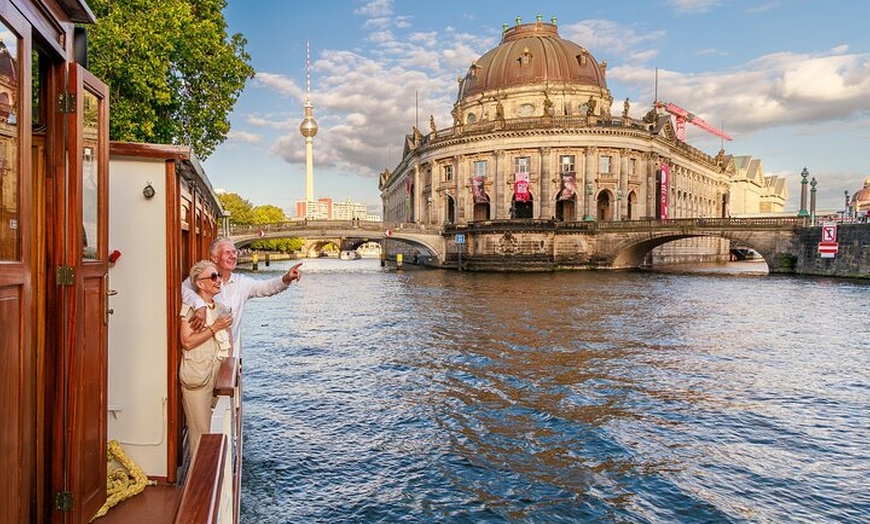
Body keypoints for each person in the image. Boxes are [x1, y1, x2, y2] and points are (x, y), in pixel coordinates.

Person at [182, 237, 302, 354]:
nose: (233, 256)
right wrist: (200, 305)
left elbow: (266, 288)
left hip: (230, 354)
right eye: (227, 252)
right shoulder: (202, 279)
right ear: (214, 258)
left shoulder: (241, 283)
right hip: (203, 355)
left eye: (234, 252)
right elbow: (182, 290)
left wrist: (287, 278)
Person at [179, 259, 233, 462]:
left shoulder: (220, 308)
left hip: (217, 376)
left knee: (213, 430)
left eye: (218, 275)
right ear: (200, 283)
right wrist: (214, 328)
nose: (218, 280)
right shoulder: (191, 310)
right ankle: (199, 478)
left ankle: (212, 468)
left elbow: (227, 341)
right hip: (198, 379)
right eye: (213, 276)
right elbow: (187, 342)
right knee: (200, 435)